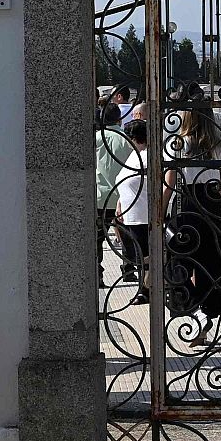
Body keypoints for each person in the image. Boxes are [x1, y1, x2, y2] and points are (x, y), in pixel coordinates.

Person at [161, 106, 221, 347]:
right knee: (212, 267)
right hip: (213, 208)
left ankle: (194, 309)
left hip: (186, 208)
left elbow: (168, 186)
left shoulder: (179, 144)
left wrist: (157, 215)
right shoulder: (220, 148)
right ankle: (204, 314)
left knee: (177, 265)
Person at [96, 104, 136, 283]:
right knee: (127, 236)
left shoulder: (96, 138)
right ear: (119, 119)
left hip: (99, 196)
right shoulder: (126, 139)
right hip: (122, 196)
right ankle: (128, 270)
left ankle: (98, 274)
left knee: (97, 239)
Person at [113, 119, 151, 305]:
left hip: (143, 213)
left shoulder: (147, 155)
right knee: (138, 255)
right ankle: (144, 289)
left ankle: (146, 290)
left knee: (145, 257)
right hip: (132, 213)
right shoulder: (135, 155)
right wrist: (120, 202)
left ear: (135, 138)